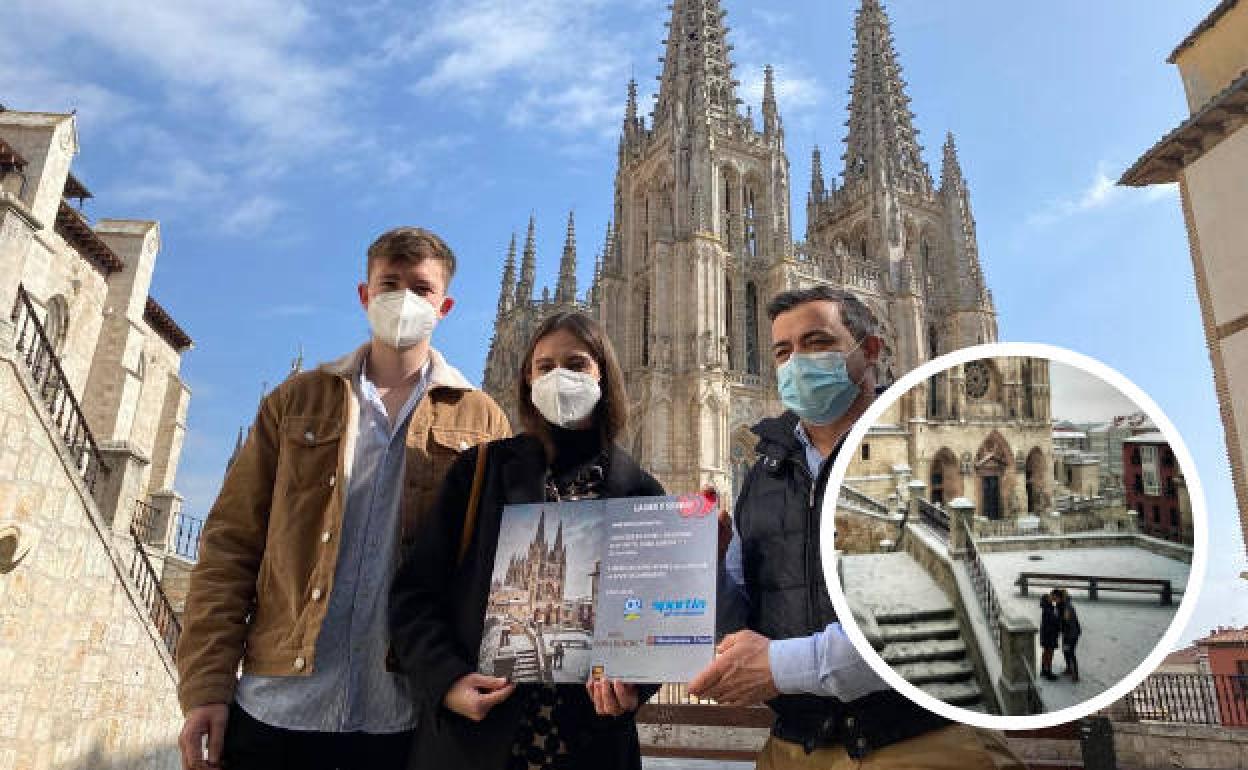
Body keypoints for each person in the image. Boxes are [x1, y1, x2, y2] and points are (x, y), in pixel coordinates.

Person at [175, 227, 511, 770]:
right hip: (276, 709)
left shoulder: (481, 419)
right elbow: (230, 547)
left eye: (421, 289)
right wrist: (206, 686)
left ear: (444, 305)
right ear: (365, 294)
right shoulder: (296, 401)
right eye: (389, 283)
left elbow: (495, 568)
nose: (403, 299)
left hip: (401, 717)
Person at [689, 286, 1023, 769]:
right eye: (783, 351)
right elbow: (742, 616)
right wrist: (706, 569)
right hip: (795, 747)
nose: (797, 362)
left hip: (925, 737)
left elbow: (949, 620)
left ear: (870, 352)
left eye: (817, 343)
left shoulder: (933, 448)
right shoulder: (765, 472)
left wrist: (780, 667)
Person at [390, 311, 662, 770]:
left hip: (592, 748)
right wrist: (447, 680)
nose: (560, 377)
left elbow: (655, 620)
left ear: (605, 377)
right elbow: (414, 596)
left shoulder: (641, 492)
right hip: (474, 745)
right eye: (545, 366)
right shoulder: (480, 473)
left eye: (576, 365)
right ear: (526, 380)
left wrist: (635, 684)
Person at [1056, 589, 1082, 683]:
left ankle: (1076, 675)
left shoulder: (1067, 607)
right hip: (1067, 633)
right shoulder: (1062, 606)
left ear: (1061, 598)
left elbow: (1065, 620)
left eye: (1057, 598)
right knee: (1066, 650)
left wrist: (1057, 622)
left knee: (1070, 652)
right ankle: (1069, 669)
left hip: (1072, 634)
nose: (1055, 600)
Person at [1040, 592, 1060, 681]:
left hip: (1046, 634)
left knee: (1046, 652)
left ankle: (1044, 670)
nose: (1051, 598)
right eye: (1049, 598)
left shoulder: (1047, 608)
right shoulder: (1049, 610)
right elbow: (1054, 622)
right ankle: (1048, 672)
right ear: (1047, 600)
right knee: (1049, 653)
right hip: (1050, 635)